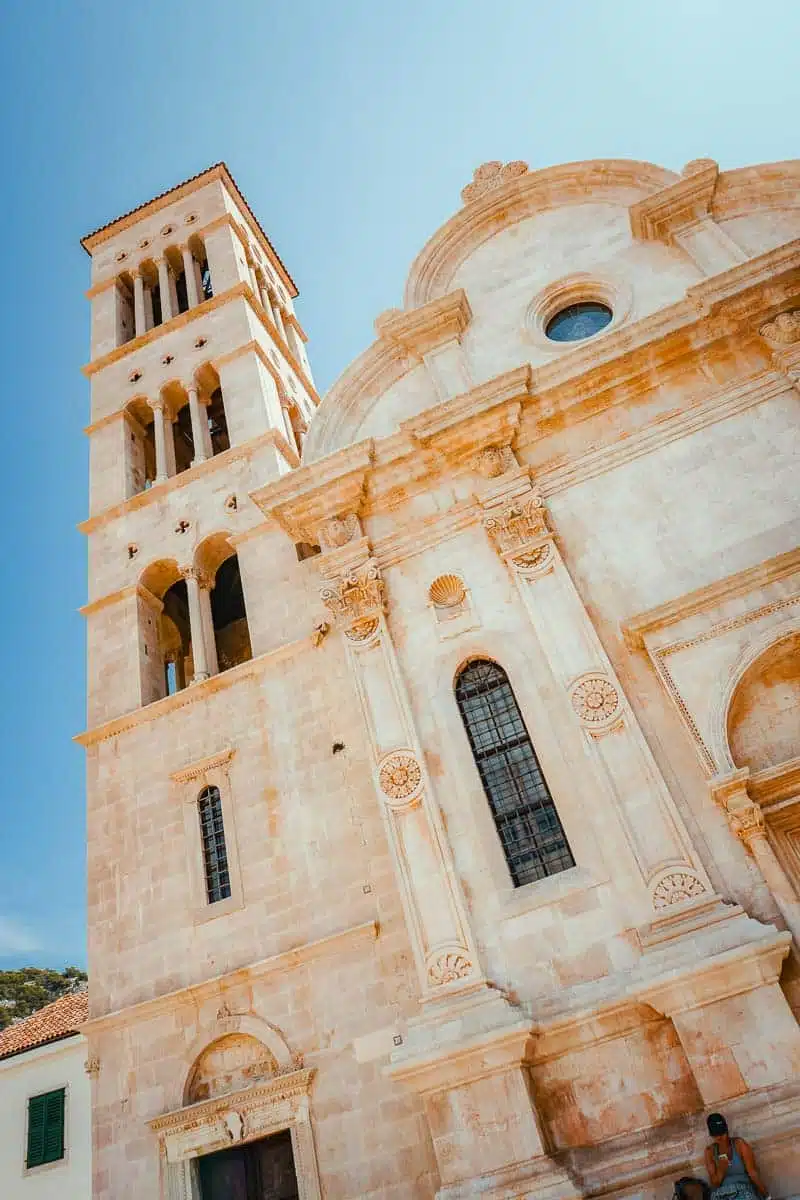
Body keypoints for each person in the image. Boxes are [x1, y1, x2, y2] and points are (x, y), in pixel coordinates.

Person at [704, 1113, 771, 1200]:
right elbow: (714, 1184)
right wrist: (721, 1170)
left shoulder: (739, 1144)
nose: (720, 1137)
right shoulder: (710, 1151)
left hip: (743, 1191)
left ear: (727, 1130)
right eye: (716, 1134)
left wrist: (766, 1195)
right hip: (721, 1194)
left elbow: (753, 1173)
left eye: (722, 1133)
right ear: (711, 1135)